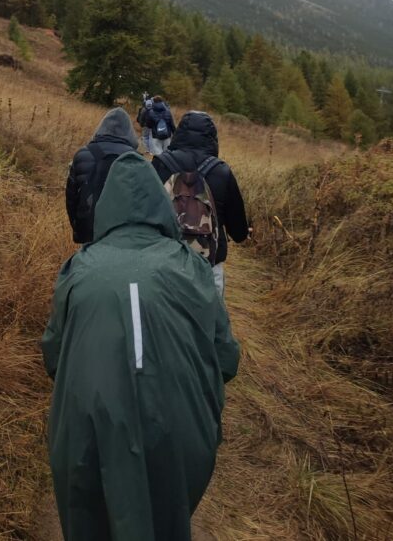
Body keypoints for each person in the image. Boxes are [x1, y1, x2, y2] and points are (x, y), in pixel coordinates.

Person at [43, 152, 240, 541]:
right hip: (181, 434)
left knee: (90, 519)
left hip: (87, 435)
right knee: (167, 518)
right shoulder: (193, 269)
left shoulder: (78, 269)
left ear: (106, 209)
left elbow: (54, 355)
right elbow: (226, 359)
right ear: (161, 206)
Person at [151, 110, 249, 298]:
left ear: (179, 133)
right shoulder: (222, 172)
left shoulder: (160, 165)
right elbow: (239, 232)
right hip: (208, 265)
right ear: (212, 137)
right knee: (210, 316)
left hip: (165, 260)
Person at [65, 107, 140, 244]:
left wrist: (78, 228)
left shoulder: (82, 155)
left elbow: (72, 197)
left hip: (90, 227)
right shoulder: (136, 159)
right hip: (124, 232)